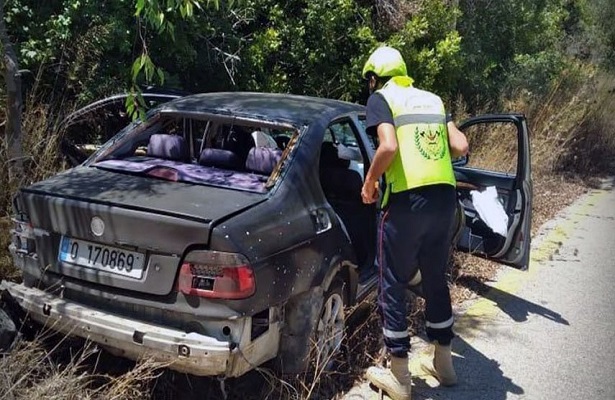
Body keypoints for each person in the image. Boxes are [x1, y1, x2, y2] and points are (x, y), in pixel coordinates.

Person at [360, 46, 469, 400]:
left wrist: (370, 181)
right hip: (444, 200)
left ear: (375, 77)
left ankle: (400, 377)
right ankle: (444, 364)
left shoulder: (381, 97)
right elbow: (460, 145)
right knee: (435, 277)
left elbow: (388, 147)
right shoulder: (432, 99)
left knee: (391, 280)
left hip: (406, 202)